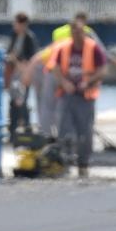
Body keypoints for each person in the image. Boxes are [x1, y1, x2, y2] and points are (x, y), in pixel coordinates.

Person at [44, 12, 107, 177]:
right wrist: (64, 83)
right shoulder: (64, 48)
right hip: (68, 94)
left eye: (80, 32)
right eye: (74, 33)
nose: (77, 36)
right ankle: (65, 162)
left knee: (84, 132)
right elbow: (55, 67)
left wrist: (89, 81)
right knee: (65, 129)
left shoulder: (93, 48)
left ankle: (83, 164)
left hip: (86, 96)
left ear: (83, 32)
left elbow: (102, 70)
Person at [5, 12, 40, 136]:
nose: (14, 26)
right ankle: (12, 130)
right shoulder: (14, 35)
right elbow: (9, 52)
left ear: (22, 24)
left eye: (16, 23)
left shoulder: (30, 38)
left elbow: (32, 57)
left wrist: (20, 62)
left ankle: (27, 129)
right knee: (13, 101)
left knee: (22, 101)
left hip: (24, 73)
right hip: (14, 73)